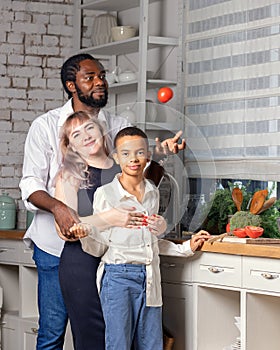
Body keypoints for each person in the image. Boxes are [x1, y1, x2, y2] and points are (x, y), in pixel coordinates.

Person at [19, 52, 186, 350]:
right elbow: (31, 183)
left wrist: (160, 156)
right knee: (53, 333)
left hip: (108, 254)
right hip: (57, 249)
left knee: (107, 336)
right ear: (72, 85)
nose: (100, 82)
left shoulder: (118, 124)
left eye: (102, 76)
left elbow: (136, 177)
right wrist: (59, 208)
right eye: (90, 77)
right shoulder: (45, 127)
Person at [71, 126, 210, 350]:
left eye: (139, 152)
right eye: (125, 153)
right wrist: (85, 234)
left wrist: (186, 248)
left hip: (150, 276)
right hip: (118, 277)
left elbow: (149, 241)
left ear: (147, 154)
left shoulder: (153, 192)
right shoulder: (106, 194)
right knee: (119, 345)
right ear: (116, 157)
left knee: (152, 345)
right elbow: (100, 246)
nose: (133, 159)